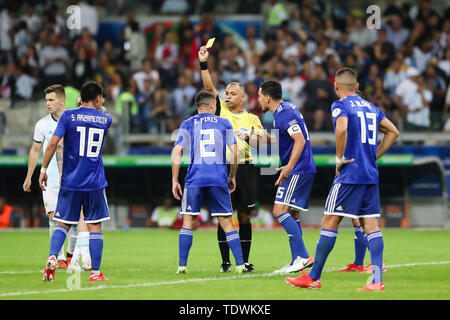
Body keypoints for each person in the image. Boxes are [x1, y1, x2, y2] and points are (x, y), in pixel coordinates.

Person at [285, 67, 399, 291]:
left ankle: (314, 277)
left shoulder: (340, 105)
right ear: (356, 86)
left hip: (349, 173)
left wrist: (339, 158)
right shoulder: (372, 107)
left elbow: (342, 129)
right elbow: (393, 131)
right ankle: (376, 280)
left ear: (336, 86)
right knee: (371, 224)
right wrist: (375, 155)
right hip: (369, 174)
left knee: (330, 221)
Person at [198, 45, 264, 272]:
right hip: (221, 168)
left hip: (245, 168)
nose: (227, 96)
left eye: (232, 93)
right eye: (226, 93)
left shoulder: (252, 118)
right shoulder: (221, 111)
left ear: (243, 97)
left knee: (244, 216)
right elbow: (208, 86)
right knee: (224, 216)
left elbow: (264, 142)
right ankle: (226, 262)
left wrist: (249, 135)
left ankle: (244, 260)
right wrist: (204, 63)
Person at [39, 81, 112, 282]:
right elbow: (102, 109)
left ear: (80, 98)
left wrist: (44, 170)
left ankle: (53, 257)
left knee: (62, 223)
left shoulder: (68, 116)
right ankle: (96, 273)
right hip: (94, 182)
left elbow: (53, 143)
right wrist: (96, 104)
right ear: (98, 98)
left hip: (70, 180)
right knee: (95, 226)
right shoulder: (106, 119)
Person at [171, 90, 246, 274]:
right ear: (212, 105)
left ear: (198, 107)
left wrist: (174, 180)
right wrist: (232, 175)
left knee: (188, 221)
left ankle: (182, 266)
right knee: (227, 222)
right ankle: (240, 265)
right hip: (218, 178)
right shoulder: (223, 122)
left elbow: (177, 152)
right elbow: (235, 153)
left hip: (194, 178)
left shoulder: (187, 123)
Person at [257, 80, 316, 274]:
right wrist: (251, 136)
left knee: (278, 210)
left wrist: (289, 167)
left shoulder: (283, 114)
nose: (257, 99)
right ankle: (296, 260)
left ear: (267, 97)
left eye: (259, 95)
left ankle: (303, 256)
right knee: (292, 213)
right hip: (302, 167)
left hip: (298, 168)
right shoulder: (286, 109)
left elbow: (299, 139)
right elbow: (280, 137)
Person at [23, 84, 77, 268]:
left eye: (51, 100)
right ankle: (59, 257)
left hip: (73, 177)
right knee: (53, 217)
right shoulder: (42, 125)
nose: (48, 103)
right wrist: (29, 176)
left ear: (62, 100)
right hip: (51, 178)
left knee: (74, 220)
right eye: (46, 100)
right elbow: (35, 149)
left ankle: (71, 255)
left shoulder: (75, 120)